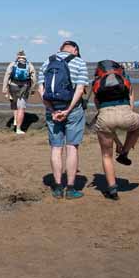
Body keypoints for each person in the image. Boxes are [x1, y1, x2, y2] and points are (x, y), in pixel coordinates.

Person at [38, 40, 88, 200]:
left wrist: (52, 110)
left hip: (52, 110)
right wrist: (68, 110)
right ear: (74, 49)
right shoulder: (79, 62)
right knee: (72, 147)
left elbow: (41, 89)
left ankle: (58, 187)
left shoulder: (47, 62)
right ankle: (71, 188)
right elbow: (80, 89)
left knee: (56, 148)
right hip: (73, 110)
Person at [91, 60, 139, 200]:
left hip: (105, 117)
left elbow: (100, 109)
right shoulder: (125, 79)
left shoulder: (97, 83)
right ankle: (124, 153)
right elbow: (131, 104)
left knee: (106, 155)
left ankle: (112, 190)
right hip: (125, 113)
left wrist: (116, 141)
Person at [3, 49, 37, 134]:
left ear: (17, 57)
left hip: (13, 86)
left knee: (15, 104)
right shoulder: (29, 65)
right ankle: (18, 129)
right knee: (21, 107)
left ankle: (15, 121)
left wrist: (5, 88)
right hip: (25, 87)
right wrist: (32, 89)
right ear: (25, 57)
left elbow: (7, 76)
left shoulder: (13, 64)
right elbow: (34, 78)